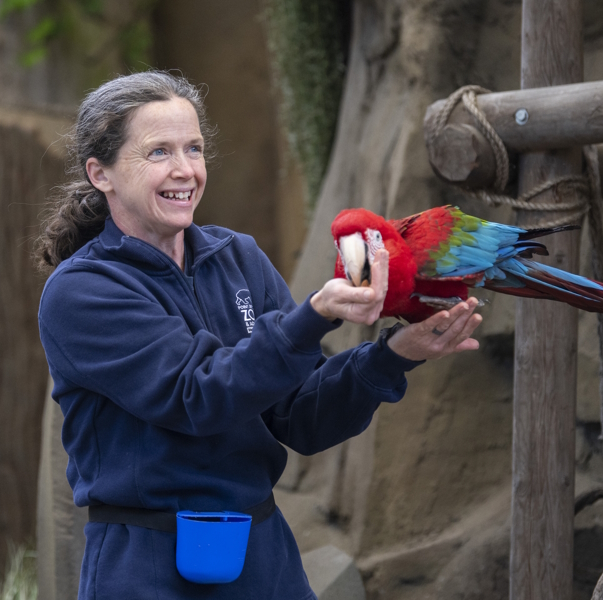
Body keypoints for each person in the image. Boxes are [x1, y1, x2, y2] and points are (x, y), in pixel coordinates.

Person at [35, 70, 482, 600]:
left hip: (264, 556)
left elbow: (302, 417)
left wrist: (393, 355)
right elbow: (198, 394)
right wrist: (312, 315)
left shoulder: (238, 257)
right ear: (100, 173)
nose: (186, 170)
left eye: (194, 148)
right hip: (147, 564)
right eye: (158, 152)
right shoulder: (82, 291)